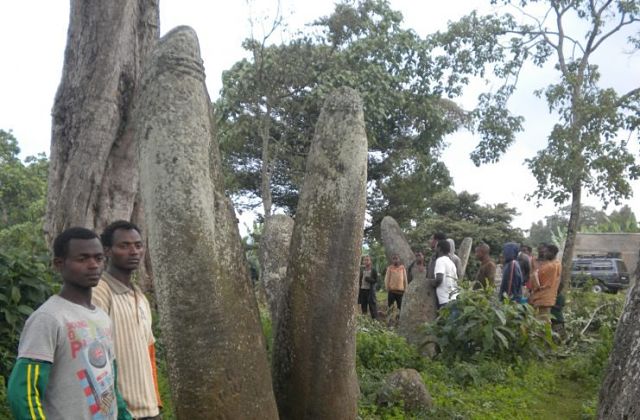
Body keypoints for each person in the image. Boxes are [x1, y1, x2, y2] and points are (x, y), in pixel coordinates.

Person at [8, 227, 131, 420]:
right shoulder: (49, 318)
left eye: (99, 258)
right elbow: (23, 392)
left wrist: (124, 416)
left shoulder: (102, 318)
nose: (93, 265)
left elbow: (110, 381)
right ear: (59, 264)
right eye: (82, 259)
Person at [93, 221, 162, 420]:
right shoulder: (99, 291)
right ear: (107, 251)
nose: (134, 251)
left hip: (149, 411)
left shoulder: (140, 297)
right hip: (119, 412)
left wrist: (156, 403)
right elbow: (94, 356)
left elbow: (149, 353)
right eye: (124, 246)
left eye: (138, 245)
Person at [529, 244, 561, 323]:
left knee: (542, 321)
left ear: (552, 253)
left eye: (546, 252)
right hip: (547, 297)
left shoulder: (550, 266)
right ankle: (546, 335)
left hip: (543, 297)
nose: (544, 254)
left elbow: (537, 282)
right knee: (544, 319)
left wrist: (534, 274)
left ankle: (544, 335)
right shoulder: (557, 263)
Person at [431, 240, 459, 309]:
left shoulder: (440, 260)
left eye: (436, 248)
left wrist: (430, 283)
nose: (435, 250)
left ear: (439, 248)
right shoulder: (451, 262)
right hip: (454, 298)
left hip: (445, 299)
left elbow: (439, 279)